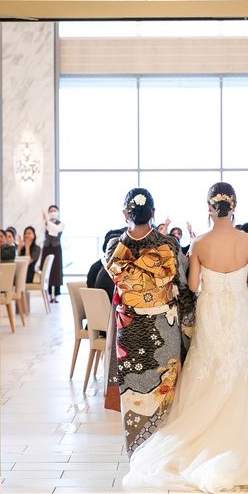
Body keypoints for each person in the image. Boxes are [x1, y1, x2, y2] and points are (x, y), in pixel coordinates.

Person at [122, 182, 248, 493]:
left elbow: (193, 285)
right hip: (239, 313)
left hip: (211, 312)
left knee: (208, 367)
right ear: (234, 206)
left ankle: (201, 442)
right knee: (242, 372)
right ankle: (242, 443)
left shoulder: (199, 243)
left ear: (209, 207)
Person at [106, 189, 194, 455]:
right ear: (153, 213)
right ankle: (162, 455)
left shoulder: (114, 246)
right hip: (163, 328)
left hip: (129, 328)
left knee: (133, 393)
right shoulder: (168, 245)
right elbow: (184, 288)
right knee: (164, 390)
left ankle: (137, 453)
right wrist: (189, 326)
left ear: (126, 214)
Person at [41, 205, 64, 303]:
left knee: (57, 271)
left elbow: (55, 230)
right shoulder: (46, 223)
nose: (53, 212)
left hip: (56, 249)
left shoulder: (61, 224)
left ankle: (57, 295)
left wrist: (47, 221)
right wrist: (46, 221)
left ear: (57, 212)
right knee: (48, 271)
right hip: (47, 248)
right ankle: (50, 294)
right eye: (51, 210)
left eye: (54, 210)